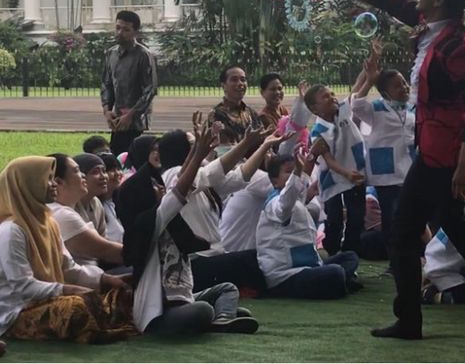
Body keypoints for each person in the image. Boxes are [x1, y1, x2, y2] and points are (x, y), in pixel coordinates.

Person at [325, 0, 465, 339]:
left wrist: (463, 165)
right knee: (455, 226)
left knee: (401, 235)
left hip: (441, 154)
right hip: (431, 146)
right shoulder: (427, 26)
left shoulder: (457, 47)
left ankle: (409, 321)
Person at [118, 122, 258, 335]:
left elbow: (229, 177)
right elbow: (176, 195)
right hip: (160, 313)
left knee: (227, 289)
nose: (162, 189)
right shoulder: (150, 225)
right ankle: (216, 316)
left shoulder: (171, 223)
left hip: (185, 297)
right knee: (202, 310)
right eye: (155, 187)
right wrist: (199, 152)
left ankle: (221, 318)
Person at [0, 156, 136, 343]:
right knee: (76, 306)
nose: (53, 183)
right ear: (27, 184)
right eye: (47, 179)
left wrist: (106, 280)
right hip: (18, 310)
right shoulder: (11, 230)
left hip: (50, 299)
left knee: (120, 293)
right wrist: (68, 289)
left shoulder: (48, 223)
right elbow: (22, 286)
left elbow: (69, 268)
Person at [159, 125, 289, 293]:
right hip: (193, 263)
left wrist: (263, 146)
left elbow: (240, 177)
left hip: (213, 257)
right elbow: (212, 172)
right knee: (251, 259)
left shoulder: (202, 182)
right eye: (194, 143)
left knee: (257, 258)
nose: (201, 144)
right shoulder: (172, 175)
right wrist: (245, 144)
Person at [257, 151, 362, 299]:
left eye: (295, 171)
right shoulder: (274, 204)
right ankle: (341, 282)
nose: (295, 175)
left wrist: (305, 174)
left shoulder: (294, 200)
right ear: (274, 181)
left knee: (350, 257)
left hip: (309, 267)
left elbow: (295, 193)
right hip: (285, 275)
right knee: (335, 272)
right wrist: (298, 171)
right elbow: (286, 202)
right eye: (289, 172)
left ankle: (338, 283)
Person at [351, 39, 415, 263]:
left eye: (405, 83)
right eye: (397, 86)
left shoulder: (412, 108)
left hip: (408, 169)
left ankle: (408, 254)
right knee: (391, 217)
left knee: (407, 216)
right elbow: (356, 105)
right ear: (386, 92)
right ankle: (394, 259)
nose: (404, 88)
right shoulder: (376, 108)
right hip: (386, 173)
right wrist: (369, 80)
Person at [305, 84, 367, 256]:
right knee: (335, 219)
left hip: (355, 174)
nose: (332, 97)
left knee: (357, 217)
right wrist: (346, 173)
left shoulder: (342, 111)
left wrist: (368, 78)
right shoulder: (319, 131)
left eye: (332, 94)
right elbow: (329, 160)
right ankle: (332, 253)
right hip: (333, 180)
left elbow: (357, 89)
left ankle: (350, 254)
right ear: (315, 109)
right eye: (325, 97)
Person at [46, 154, 123, 269]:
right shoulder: (62, 215)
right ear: (59, 182)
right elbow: (104, 250)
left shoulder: (95, 203)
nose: (82, 175)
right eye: (77, 171)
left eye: (104, 171)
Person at [101, 10, 158, 157]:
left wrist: (131, 115)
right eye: (118, 28)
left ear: (135, 32)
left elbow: (150, 89)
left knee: (134, 161)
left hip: (137, 122)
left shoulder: (143, 55)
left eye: (126, 29)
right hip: (118, 120)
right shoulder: (111, 54)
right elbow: (106, 84)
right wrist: (107, 110)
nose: (120, 32)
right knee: (117, 159)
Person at [421, 197, 465, 306]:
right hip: (442, 270)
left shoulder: (464, 220)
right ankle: (430, 295)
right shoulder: (458, 223)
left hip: (444, 266)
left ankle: (435, 288)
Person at [210, 66, 262, 141]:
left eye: (243, 80)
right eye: (234, 80)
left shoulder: (251, 113)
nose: (240, 83)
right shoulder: (216, 114)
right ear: (223, 86)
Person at [98, 153, 125, 244]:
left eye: (118, 169)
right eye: (111, 170)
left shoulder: (120, 200)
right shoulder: (96, 205)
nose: (117, 173)